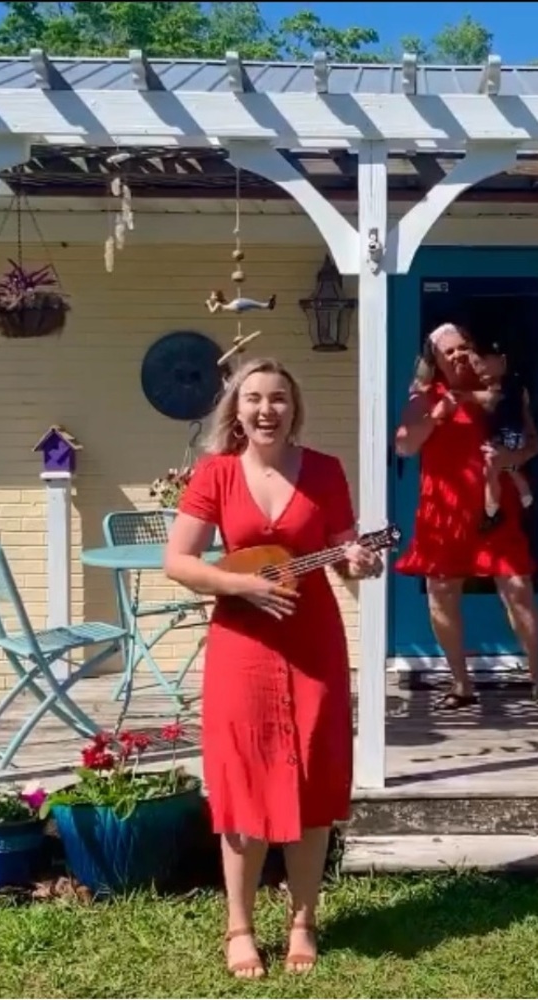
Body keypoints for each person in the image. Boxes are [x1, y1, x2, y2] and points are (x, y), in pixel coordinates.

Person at [164, 357, 383, 979]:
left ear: (294, 407)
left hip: (313, 644)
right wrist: (240, 587)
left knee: (312, 782)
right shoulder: (216, 474)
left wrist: (360, 565)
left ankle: (304, 920)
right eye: (254, 398)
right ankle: (239, 927)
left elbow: (344, 555)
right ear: (236, 409)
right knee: (242, 783)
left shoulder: (325, 471)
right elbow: (179, 561)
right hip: (242, 647)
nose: (266, 410)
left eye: (279, 398)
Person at [394, 322, 538, 714]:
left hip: (494, 510)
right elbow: (404, 445)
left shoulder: (504, 393)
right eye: (447, 351)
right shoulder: (425, 396)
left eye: (463, 346)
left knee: (518, 587)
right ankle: (461, 683)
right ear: (434, 359)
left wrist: (511, 458)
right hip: (444, 513)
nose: (457, 355)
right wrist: (437, 415)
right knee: (442, 593)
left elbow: (532, 443)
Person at [467, 338, 535, 530]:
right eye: (476, 361)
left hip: (507, 498)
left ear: (502, 361)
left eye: (485, 359)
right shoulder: (466, 397)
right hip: (467, 499)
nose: (480, 366)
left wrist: (510, 458)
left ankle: (494, 511)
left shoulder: (514, 397)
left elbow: (534, 444)